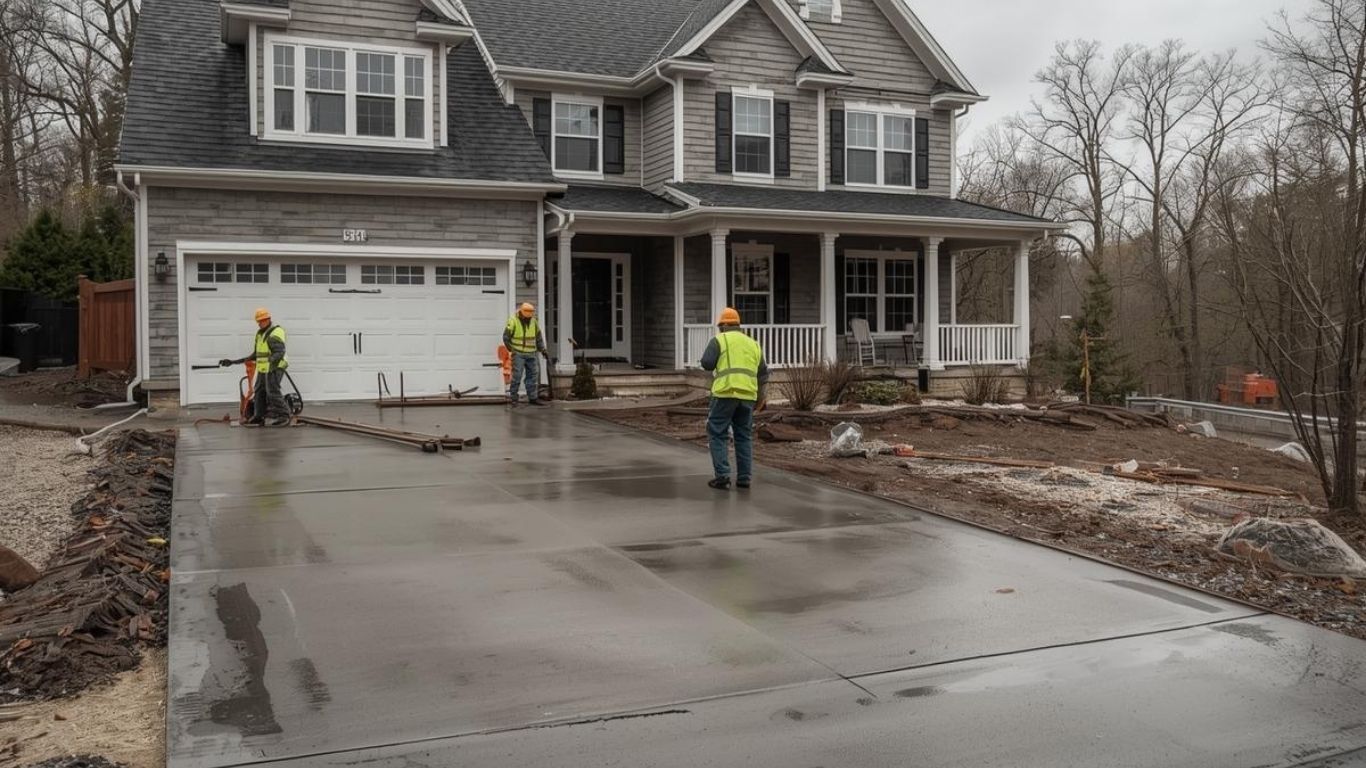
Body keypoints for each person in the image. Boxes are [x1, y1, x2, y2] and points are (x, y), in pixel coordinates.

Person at [700, 307, 768, 490]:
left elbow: (706, 363)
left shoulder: (719, 340)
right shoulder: (753, 343)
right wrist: (762, 398)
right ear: (738, 325)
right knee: (743, 436)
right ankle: (744, 478)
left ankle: (722, 476)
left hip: (725, 393)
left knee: (717, 433)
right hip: (747, 396)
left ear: (722, 326)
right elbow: (763, 374)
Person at [220, 307, 289, 426]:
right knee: (259, 390)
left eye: (262, 320)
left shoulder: (275, 332)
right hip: (264, 367)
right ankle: (259, 416)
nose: (260, 323)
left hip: (275, 366)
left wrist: (270, 362)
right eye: (258, 321)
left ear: (268, 319)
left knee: (272, 391)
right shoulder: (260, 334)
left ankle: (284, 416)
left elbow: (279, 352)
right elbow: (256, 354)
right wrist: (233, 362)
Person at [503, 302, 548, 406]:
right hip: (518, 353)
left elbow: (538, 338)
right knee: (517, 376)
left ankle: (533, 398)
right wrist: (512, 350)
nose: (528, 318)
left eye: (530, 316)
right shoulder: (513, 321)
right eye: (526, 316)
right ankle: (514, 398)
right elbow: (506, 337)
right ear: (521, 312)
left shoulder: (534, 322)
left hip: (532, 353)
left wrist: (543, 350)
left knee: (533, 376)